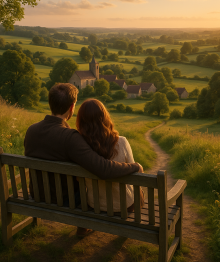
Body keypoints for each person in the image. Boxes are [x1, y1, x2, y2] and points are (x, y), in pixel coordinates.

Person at [24, 83, 143, 236]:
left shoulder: (31, 130)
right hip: (65, 199)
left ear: (50, 103)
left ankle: (82, 227)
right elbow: (103, 169)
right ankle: (84, 225)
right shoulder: (70, 137)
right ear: (72, 107)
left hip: (38, 194)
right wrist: (134, 167)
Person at [76, 99, 145, 212]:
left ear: (81, 121)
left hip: (95, 204)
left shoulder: (80, 147)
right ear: (104, 118)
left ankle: (83, 228)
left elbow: (79, 179)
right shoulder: (121, 142)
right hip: (124, 206)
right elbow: (136, 175)